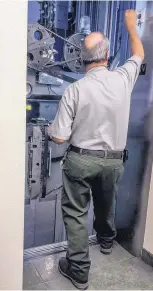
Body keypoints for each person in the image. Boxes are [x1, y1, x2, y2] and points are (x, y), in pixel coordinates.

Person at [48, 10, 144, 290]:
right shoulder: (124, 79)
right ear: (107, 55)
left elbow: (59, 138)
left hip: (80, 161)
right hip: (114, 161)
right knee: (106, 202)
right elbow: (138, 53)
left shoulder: (75, 90)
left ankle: (78, 270)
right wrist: (130, 27)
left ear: (81, 57)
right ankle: (105, 240)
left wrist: (52, 131)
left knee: (76, 214)